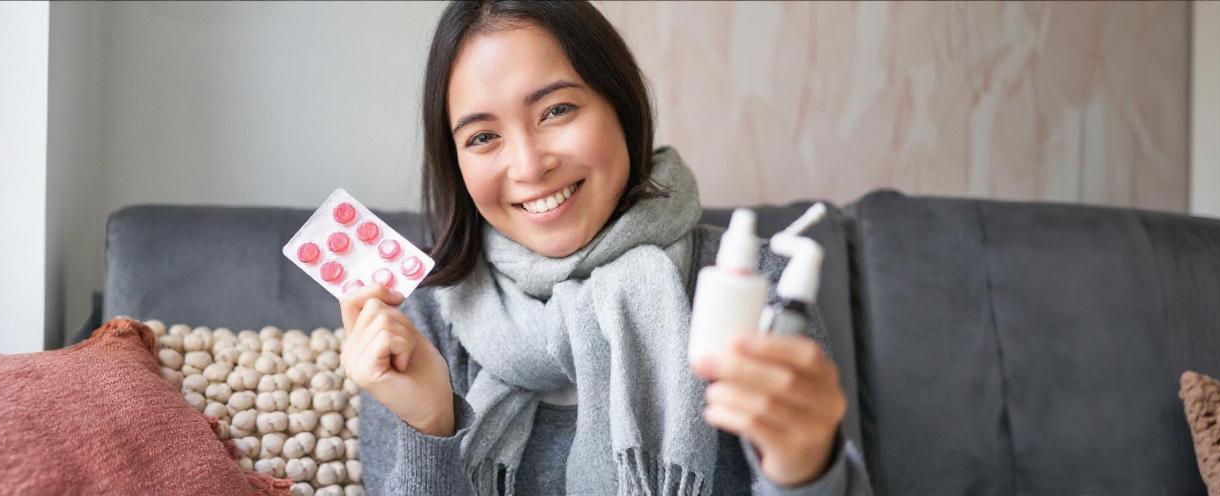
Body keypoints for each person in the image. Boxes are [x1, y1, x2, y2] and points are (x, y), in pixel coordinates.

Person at [343, 2, 870, 494]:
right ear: (455, 162)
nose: (528, 167)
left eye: (557, 110)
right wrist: (428, 426)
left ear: (620, 104)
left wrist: (806, 467)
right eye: (483, 137)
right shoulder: (418, 324)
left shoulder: (749, 283)